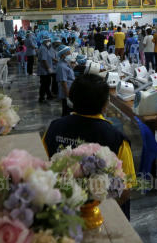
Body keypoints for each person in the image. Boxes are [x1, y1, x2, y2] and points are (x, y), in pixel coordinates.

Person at [43, 74, 135, 218]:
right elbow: (125, 190)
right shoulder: (116, 139)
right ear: (105, 104)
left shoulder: (54, 128)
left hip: (61, 214)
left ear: (72, 99)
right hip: (101, 218)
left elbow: (44, 168)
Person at [56, 45, 75, 116]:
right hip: (67, 92)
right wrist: (68, 97)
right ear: (63, 54)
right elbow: (63, 83)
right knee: (67, 111)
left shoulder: (65, 63)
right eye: (68, 52)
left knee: (67, 110)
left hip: (70, 90)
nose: (70, 54)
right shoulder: (61, 66)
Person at [37, 36, 56, 103]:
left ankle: (49, 95)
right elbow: (44, 60)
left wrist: (56, 60)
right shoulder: (43, 49)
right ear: (44, 41)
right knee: (44, 84)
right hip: (44, 69)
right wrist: (48, 69)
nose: (49, 42)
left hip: (46, 68)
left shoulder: (46, 48)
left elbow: (50, 57)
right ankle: (41, 97)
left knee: (47, 83)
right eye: (48, 40)